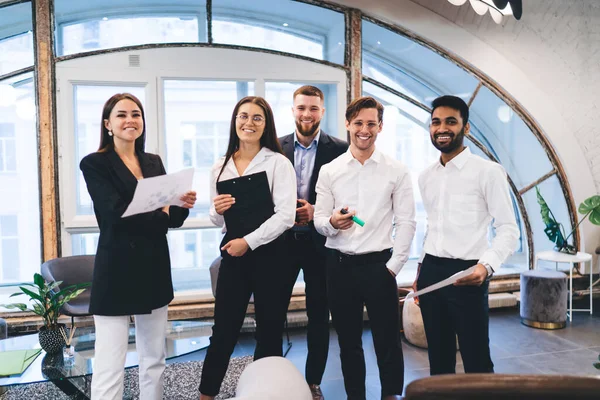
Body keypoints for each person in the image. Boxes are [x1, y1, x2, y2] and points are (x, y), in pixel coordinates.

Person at [80, 93, 196, 400]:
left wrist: (181, 204)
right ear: (108, 124)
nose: (130, 120)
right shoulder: (94, 163)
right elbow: (114, 215)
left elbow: (172, 217)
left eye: (136, 114)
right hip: (116, 269)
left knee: (154, 358)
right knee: (109, 361)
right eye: (121, 115)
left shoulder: (152, 161)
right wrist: (162, 214)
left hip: (153, 266)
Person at [314, 96, 416, 400]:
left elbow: (407, 222)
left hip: (379, 268)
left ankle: (390, 396)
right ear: (348, 125)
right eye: (358, 123)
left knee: (387, 341)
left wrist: (393, 267)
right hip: (339, 267)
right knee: (348, 342)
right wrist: (332, 221)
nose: (364, 129)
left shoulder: (396, 170)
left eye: (371, 123)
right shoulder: (330, 171)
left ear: (380, 127)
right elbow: (319, 220)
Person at [199, 96, 297, 400]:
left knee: (268, 332)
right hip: (233, 256)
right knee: (223, 332)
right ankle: (206, 394)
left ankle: (265, 394)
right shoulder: (220, 166)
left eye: (257, 118)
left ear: (266, 125)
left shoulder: (278, 162)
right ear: (234, 121)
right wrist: (216, 208)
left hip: (273, 257)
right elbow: (217, 220)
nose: (249, 123)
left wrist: (249, 242)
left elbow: (286, 216)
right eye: (243, 116)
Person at [414, 95, 519, 376]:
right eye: (435, 122)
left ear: (466, 128)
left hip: (469, 274)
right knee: (438, 357)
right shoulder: (426, 176)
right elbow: (433, 226)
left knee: (477, 359)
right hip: (432, 273)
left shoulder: (488, 172)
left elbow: (509, 229)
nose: (442, 128)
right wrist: (421, 269)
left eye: (451, 121)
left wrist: (486, 267)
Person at [279, 85, 348, 400]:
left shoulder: (341, 149)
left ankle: (312, 382)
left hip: (322, 243)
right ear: (293, 110)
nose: (307, 114)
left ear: (322, 111)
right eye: (301, 107)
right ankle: (272, 378)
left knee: (318, 314)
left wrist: (317, 212)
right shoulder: (274, 147)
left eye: (313, 108)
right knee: (273, 312)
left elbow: (349, 197)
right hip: (280, 243)